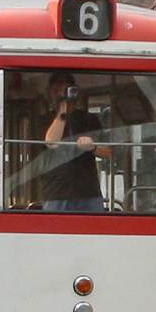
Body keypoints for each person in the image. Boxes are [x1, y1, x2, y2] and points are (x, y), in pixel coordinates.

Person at [40, 72, 109, 212]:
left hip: (88, 191)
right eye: (55, 90)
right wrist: (62, 110)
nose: (59, 94)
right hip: (57, 192)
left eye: (65, 90)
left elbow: (108, 152)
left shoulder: (90, 119)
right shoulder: (43, 120)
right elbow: (51, 142)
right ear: (49, 93)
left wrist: (93, 147)